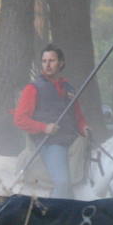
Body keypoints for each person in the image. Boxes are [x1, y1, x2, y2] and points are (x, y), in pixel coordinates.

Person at [12, 46, 88, 198]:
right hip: (50, 143)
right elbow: (19, 119)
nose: (47, 64)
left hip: (72, 140)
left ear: (61, 63)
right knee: (62, 182)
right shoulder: (33, 89)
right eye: (44, 61)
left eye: (52, 60)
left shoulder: (69, 88)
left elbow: (78, 116)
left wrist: (85, 128)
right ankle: (53, 219)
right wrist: (44, 127)